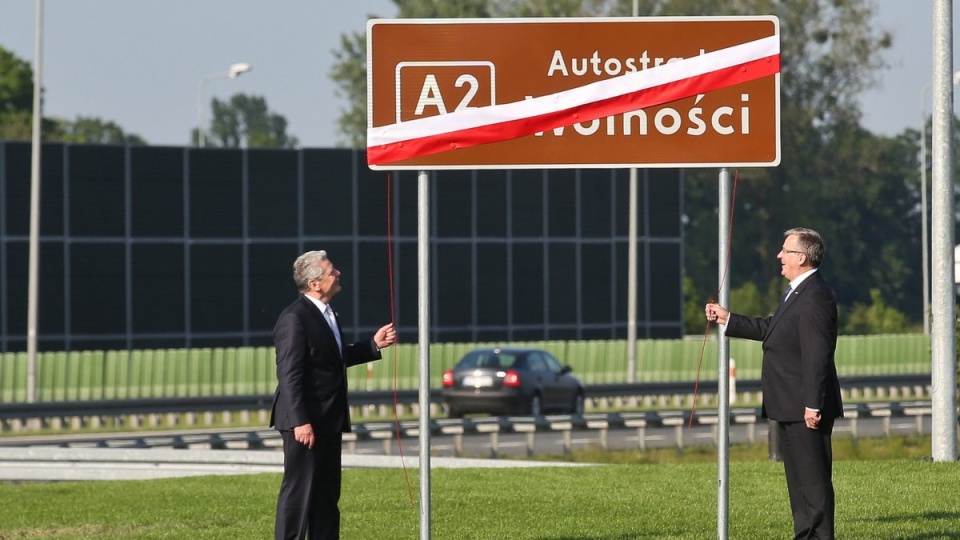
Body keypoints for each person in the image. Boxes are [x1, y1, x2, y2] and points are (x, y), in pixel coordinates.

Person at [705, 227, 842, 540]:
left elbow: (817, 355)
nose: (779, 256)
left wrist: (813, 404)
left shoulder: (814, 297)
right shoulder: (797, 292)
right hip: (790, 403)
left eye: (785, 251)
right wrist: (728, 318)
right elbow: (772, 328)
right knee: (798, 483)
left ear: (802, 258)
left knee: (813, 482)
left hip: (806, 407)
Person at [270, 250, 396, 540]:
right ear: (315, 283)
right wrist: (301, 421)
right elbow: (290, 374)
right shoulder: (294, 318)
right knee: (299, 494)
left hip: (329, 418)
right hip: (306, 422)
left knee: (327, 496)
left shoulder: (326, 313)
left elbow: (331, 359)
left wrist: (372, 345)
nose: (338, 273)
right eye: (331, 271)